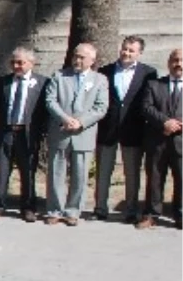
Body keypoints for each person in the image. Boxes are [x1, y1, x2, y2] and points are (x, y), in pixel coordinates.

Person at [44, 42, 108, 226]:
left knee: (80, 175)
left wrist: (81, 122)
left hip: (84, 133)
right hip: (61, 131)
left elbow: (101, 107)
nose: (77, 60)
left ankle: (73, 211)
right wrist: (64, 119)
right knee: (56, 172)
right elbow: (50, 100)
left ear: (92, 60)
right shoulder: (59, 76)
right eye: (75, 56)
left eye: (82, 57)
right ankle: (54, 210)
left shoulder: (100, 80)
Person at [95, 36, 157, 223]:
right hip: (108, 128)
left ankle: (131, 210)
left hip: (133, 129)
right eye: (125, 49)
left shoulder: (148, 73)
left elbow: (149, 100)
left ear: (139, 53)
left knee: (132, 173)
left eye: (131, 50)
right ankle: (100, 208)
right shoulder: (105, 71)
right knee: (103, 171)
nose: (126, 53)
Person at [0, 47, 48, 222]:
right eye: (13, 62)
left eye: (20, 62)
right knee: (2, 169)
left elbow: (44, 111)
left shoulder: (42, 83)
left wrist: (39, 132)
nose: (16, 66)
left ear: (31, 63)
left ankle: (28, 207)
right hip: (6, 131)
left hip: (27, 134)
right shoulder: (3, 82)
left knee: (28, 171)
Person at [139, 48, 183, 230]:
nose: (179, 64)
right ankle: (151, 214)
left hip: (181, 141)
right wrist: (165, 122)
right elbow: (146, 107)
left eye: (182, 60)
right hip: (157, 140)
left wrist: (177, 124)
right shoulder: (154, 84)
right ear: (168, 62)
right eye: (175, 60)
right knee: (155, 178)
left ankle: (180, 214)